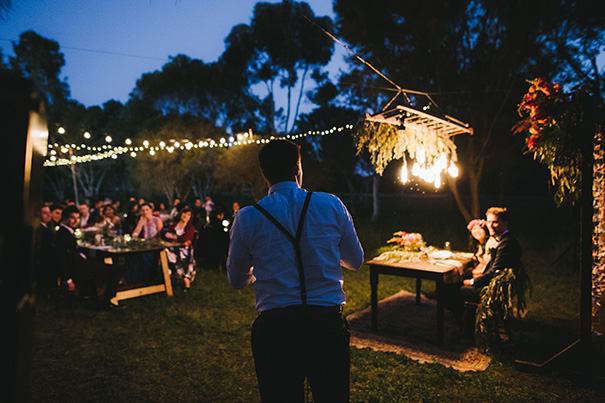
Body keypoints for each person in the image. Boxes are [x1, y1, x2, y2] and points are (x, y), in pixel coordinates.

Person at [227, 139, 364, 403]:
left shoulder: (247, 217)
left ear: (264, 173)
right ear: (297, 169)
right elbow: (355, 261)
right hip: (326, 326)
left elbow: (236, 279)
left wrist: (258, 269)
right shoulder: (331, 204)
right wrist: (322, 253)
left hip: (276, 330)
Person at [53, 205, 125, 310]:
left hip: (81, 266)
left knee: (102, 263)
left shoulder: (66, 232)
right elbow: (61, 258)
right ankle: (108, 301)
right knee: (117, 269)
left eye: (77, 218)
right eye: (72, 218)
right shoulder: (63, 234)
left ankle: (96, 297)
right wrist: (68, 280)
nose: (75, 221)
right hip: (80, 269)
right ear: (64, 218)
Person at [460, 207, 522, 304]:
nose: (490, 226)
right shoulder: (499, 240)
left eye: (495, 222)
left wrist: (472, 282)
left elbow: (494, 271)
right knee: (455, 284)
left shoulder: (506, 243)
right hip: (489, 283)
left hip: (494, 290)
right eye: (489, 222)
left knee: (455, 289)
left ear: (505, 223)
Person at [161, 206, 196, 291]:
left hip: (184, 249)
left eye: (188, 214)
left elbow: (186, 239)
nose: (185, 216)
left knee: (180, 255)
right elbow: (166, 236)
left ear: (190, 217)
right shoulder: (173, 225)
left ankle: (186, 280)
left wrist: (174, 237)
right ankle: (170, 277)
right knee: (167, 253)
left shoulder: (190, 227)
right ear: (180, 214)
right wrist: (179, 239)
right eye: (184, 213)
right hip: (173, 248)